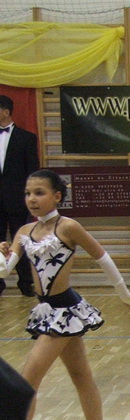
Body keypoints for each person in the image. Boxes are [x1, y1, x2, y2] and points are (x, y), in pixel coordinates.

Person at [0, 169, 130, 420]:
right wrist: (3, 253)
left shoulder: (69, 227)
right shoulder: (24, 231)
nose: (32, 199)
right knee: (81, 376)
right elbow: (5, 271)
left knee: (26, 385)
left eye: (39, 193)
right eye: (27, 193)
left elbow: (102, 257)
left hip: (65, 310)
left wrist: (125, 294)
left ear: (57, 196)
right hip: (47, 311)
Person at [0, 94, 39, 297]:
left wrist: (30, 199)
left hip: (17, 200)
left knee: (21, 241)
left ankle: (26, 283)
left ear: (6, 111)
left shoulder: (27, 138)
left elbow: (33, 172)